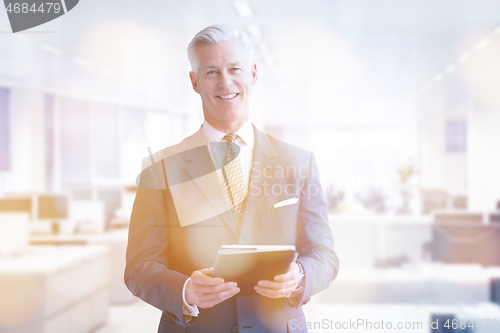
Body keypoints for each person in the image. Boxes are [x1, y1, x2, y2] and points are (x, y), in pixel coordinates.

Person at [125, 24, 339, 333]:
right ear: (194, 82)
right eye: (211, 72)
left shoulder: (298, 162)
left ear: (253, 73)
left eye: (234, 68)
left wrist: (301, 276)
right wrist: (185, 290)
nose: (225, 82)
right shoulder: (160, 168)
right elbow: (138, 267)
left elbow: (325, 255)